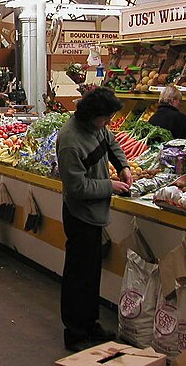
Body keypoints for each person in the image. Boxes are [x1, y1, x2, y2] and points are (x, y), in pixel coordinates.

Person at [56, 87, 132, 352]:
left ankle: (90, 324)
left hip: (96, 214)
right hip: (80, 216)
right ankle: (75, 333)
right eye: (105, 118)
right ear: (91, 115)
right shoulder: (70, 141)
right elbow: (76, 188)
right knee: (78, 276)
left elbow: (110, 141)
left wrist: (123, 166)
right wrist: (110, 186)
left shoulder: (97, 126)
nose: (107, 123)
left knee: (91, 274)